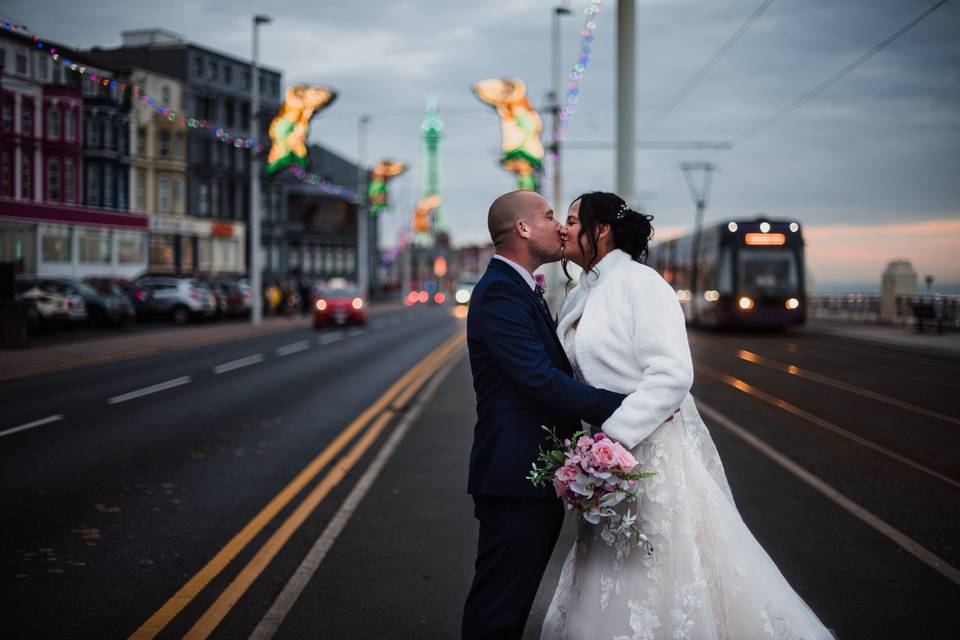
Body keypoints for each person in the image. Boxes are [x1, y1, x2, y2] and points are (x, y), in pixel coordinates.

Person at [540, 192, 833, 639]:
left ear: (602, 231)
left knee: (658, 564)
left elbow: (673, 374)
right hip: (602, 462)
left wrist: (613, 438)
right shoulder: (585, 290)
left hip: (647, 452)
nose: (564, 228)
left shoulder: (642, 284)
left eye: (574, 220)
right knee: (609, 559)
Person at [462, 190, 627, 640]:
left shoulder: (518, 288)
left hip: (529, 475)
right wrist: (622, 405)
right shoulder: (499, 292)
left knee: (507, 604)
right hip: (516, 476)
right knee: (499, 607)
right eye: (550, 216)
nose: (560, 226)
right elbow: (537, 379)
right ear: (522, 228)